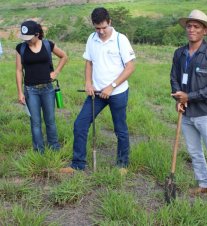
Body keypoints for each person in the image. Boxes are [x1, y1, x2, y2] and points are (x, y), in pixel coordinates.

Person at [60, 7, 135, 174]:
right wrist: (88, 82)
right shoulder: (91, 39)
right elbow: (89, 62)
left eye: (103, 27)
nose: (101, 32)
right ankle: (78, 164)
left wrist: (112, 86)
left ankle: (122, 164)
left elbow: (130, 67)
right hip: (97, 94)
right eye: (97, 28)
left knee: (120, 128)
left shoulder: (120, 40)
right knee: (80, 124)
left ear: (109, 22)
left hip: (117, 92)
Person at [170, 9, 207, 201]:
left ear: (204, 31)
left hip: (206, 113)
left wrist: (189, 97)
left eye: (196, 26)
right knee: (195, 152)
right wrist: (179, 100)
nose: (191, 29)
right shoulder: (179, 53)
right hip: (185, 113)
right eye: (189, 26)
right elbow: (174, 79)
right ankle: (204, 184)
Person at [16, 20, 67, 153]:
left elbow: (64, 56)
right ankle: (39, 151)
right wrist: (20, 92)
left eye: (29, 38)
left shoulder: (47, 45)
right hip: (30, 91)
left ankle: (54, 148)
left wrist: (56, 72)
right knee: (35, 122)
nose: (26, 41)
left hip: (48, 89)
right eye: (24, 38)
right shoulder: (20, 48)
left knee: (50, 120)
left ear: (37, 34)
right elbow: (18, 70)